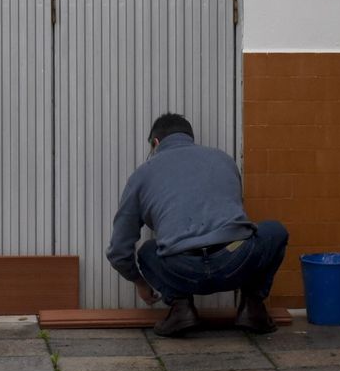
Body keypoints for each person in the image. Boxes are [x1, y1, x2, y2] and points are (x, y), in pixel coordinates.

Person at [106, 113, 289, 337]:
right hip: (235, 260)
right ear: (189, 137)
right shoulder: (223, 159)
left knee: (147, 251)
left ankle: (181, 309)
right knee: (275, 231)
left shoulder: (142, 175)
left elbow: (118, 250)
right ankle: (252, 307)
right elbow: (235, 214)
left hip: (181, 269)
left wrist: (139, 282)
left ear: (155, 143)